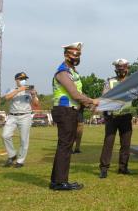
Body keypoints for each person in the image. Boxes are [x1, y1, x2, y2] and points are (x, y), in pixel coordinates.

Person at [50, 42, 99, 191]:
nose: (76, 57)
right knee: (65, 146)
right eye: (73, 54)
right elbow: (74, 94)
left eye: (78, 54)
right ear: (66, 55)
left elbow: (78, 95)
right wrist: (92, 101)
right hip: (65, 111)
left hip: (70, 111)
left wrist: (90, 105)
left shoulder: (73, 72)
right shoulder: (63, 72)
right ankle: (60, 182)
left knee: (65, 146)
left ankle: (57, 180)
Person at [99, 59, 134, 178]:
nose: (122, 71)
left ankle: (123, 168)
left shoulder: (132, 81)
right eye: (119, 69)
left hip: (126, 116)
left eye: (124, 68)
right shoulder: (110, 82)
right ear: (116, 69)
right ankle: (104, 169)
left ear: (127, 69)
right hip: (112, 116)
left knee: (126, 144)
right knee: (108, 143)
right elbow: (105, 96)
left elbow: (137, 95)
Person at [1, 72, 39, 168]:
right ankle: (12, 154)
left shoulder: (29, 90)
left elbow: (36, 104)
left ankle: (20, 161)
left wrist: (34, 95)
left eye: (25, 79)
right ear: (16, 80)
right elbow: (6, 98)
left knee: (24, 139)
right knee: (5, 135)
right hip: (12, 116)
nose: (23, 80)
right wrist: (18, 90)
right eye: (21, 79)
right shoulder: (10, 89)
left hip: (25, 116)